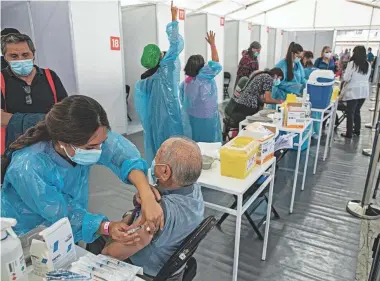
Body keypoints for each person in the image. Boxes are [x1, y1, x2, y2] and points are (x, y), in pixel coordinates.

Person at [1, 95, 164, 244]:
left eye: (102, 143)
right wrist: (107, 227)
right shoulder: (27, 167)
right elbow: (61, 214)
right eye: (91, 147)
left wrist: (146, 194)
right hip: (24, 236)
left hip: (66, 228)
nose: (100, 149)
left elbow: (122, 155)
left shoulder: (89, 138)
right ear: (63, 142)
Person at [102, 137, 204, 281]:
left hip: (146, 272)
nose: (153, 161)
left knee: (97, 238)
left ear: (165, 171)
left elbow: (110, 253)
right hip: (173, 268)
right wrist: (145, 195)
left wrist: (127, 217)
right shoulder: (193, 189)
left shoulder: (157, 214)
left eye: (156, 157)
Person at [135, 1, 189, 164]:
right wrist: (173, 17)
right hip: (170, 113)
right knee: (174, 143)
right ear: (159, 55)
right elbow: (176, 44)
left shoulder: (144, 79)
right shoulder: (166, 68)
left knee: (159, 144)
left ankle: (159, 168)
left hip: (154, 117)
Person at [1, 33, 68, 154]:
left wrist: (16, 119)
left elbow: (66, 111)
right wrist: (45, 120)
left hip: (50, 147)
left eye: (25, 54)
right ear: (5, 58)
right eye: (14, 56)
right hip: (15, 149)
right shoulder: (1, 80)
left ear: (33, 54)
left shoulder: (50, 76)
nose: (20, 59)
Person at [180, 31, 222, 143]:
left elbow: (183, 99)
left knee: (196, 141)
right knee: (209, 143)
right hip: (207, 116)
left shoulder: (187, 81)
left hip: (193, 116)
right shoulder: (204, 77)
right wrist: (212, 44)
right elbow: (216, 62)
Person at [340, 46, 371, 138]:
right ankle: (357, 131)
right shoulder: (368, 64)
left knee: (350, 112)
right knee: (357, 111)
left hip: (353, 91)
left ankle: (349, 133)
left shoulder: (352, 64)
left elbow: (346, 78)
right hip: (364, 91)